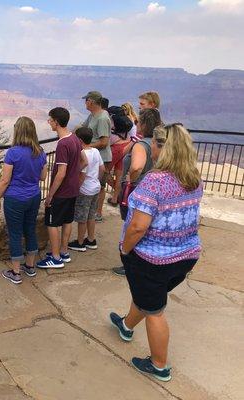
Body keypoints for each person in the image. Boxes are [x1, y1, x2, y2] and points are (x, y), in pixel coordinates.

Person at [109, 124, 203, 382]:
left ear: (163, 147)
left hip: (152, 258)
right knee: (150, 296)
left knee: (155, 311)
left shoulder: (154, 181)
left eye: (155, 145)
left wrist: (125, 249)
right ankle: (126, 325)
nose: (152, 149)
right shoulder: (193, 177)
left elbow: (138, 226)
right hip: (186, 254)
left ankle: (159, 365)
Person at [0, 116, 47, 284]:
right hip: (34, 196)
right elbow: (43, 176)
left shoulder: (13, 153)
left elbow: (5, 180)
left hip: (15, 198)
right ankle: (30, 267)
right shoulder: (40, 151)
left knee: (15, 233)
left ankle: (16, 272)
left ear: (18, 130)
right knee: (30, 229)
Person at [112, 108, 162, 276]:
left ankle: (130, 262)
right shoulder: (156, 142)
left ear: (145, 124)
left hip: (136, 190)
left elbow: (137, 166)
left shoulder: (142, 145)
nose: (136, 124)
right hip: (150, 190)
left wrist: (130, 178)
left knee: (132, 225)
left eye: (138, 122)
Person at [36, 107, 85, 269]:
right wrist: (74, 175)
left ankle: (55, 258)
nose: (48, 122)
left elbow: (61, 173)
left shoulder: (63, 144)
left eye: (50, 120)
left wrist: (50, 195)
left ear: (56, 122)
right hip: (73, 189)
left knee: (52, 223)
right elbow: (84, 161)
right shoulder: (75, 138)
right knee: (67, 220)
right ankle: (63, 251)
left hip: (62, 192)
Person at [68, 127, 104, 251]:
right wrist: (97, 180)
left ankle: (80, 242)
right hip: (95, 188)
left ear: (80, 140)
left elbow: (82, 175)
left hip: (84, 190)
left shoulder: (82, 155)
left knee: (82, 218)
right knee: (91, 215)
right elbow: (102, 169)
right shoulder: (95, 151)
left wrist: (75, 188)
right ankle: (91, 239)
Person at [81, 91, 112, 222]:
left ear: (91, 102)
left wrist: (86, 147)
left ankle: (97, 213)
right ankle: (91, 212)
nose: (85, 103)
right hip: (94, 156)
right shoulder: (92, 115)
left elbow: (104, 142)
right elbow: (83, 128)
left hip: (102, 158)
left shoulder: (102, 118)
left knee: (99, 186)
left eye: (86, 100)